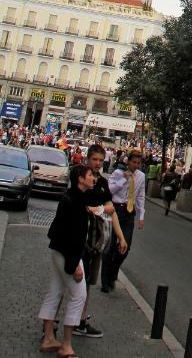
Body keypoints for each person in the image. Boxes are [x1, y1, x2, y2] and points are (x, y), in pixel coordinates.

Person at [38, 165, 95, 357]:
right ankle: (66, 345)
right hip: (68, 255)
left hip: (59, 251)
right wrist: (74, 265)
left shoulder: (72, 197)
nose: (93, 178)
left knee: (55, 292)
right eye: (90, 175)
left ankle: (48, 338)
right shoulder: (75, 202)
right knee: (79, 295)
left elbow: (56, 231)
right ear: (81, 179)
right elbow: (72, 237)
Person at [73, 144, 128, 338]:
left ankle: (81, 320)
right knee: (73, 280)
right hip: (79, 236)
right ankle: (62, 320)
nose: (97, 163)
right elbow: (78, 205)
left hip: (96, 240)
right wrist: (100, 209)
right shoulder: (81, 178)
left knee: (88, 281)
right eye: (94, 159)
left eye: (100, 160)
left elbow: (111, 211)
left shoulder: (103, 183)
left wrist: (121, 237)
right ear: (87, 159)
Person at [101, 150, 145, 293]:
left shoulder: (141, 176)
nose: (136, 165)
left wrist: (141, 216)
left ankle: (113, 272)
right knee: (110, 246)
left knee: (125, 247)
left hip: (129, 212)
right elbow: (110, 190)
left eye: (138, 163)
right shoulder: (118, 173)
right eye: (134, 162)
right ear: (128, 161)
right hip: (115, 210)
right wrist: (124, 179)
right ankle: (105, 282)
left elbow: (140, 196)